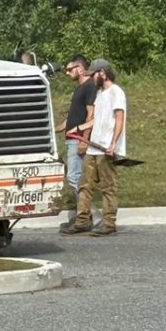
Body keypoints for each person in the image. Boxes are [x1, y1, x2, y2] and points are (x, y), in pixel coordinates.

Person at [60, 58, 127, 237]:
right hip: (93, 148)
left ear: (102, 73)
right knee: (84, 184)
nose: (91, 77)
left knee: (108, 187)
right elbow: (95, 119)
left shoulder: (116, 92)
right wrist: (80, 128)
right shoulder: (100, 94)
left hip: (106, 148)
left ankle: (108, 223)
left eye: (94, 74)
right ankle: (82, 221)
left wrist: (113, 144)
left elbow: (119, 119)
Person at [53, 54, 96, 226]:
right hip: (71, 137)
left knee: (75, 178)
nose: (67, 72)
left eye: (70, 69)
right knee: (74, 177)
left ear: (80, 68)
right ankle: (84, 215)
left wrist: (84, 141)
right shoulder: (79, 88)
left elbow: (91, 114)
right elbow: (72, 118)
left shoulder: (89, 87)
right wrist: (54, 130)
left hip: (78, 139)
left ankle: (84, 217)